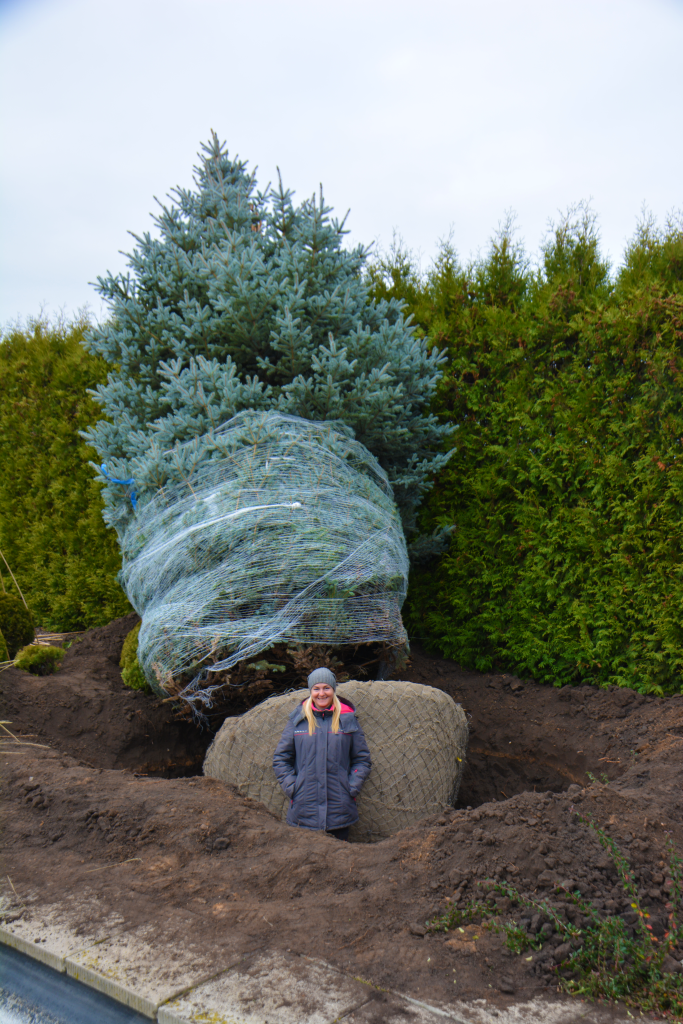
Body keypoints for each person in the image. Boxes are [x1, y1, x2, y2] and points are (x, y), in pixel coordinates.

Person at [272, 667, 371, 840]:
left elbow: (362, 759)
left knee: (339, 862)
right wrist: (293, 788)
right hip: (304, 811)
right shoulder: (298, 720)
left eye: (326, 688)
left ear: (333, 690)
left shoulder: (347, 719)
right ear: (310, 691)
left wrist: (351, 787)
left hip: (339, 810)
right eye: (316, 689)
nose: (321, 693)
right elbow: (281, 759)